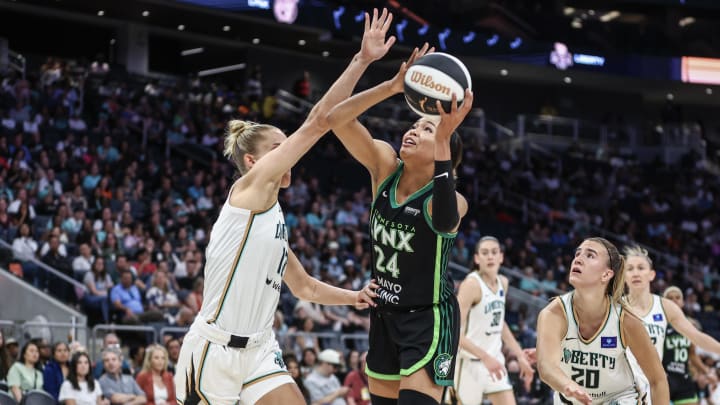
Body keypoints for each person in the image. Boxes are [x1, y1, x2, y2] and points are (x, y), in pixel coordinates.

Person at [174, 9, 396, 405]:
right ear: (252, 163)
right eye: (280, 149)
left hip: (259, 350)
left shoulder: (274, 216)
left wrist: (354, 296)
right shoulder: (249, 191)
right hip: (214, 353)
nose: (289, 156)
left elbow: (305, 286)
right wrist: (363, 62)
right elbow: (317, 122)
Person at [325, 43, 472, 404]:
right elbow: (335, 119)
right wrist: (391, 86)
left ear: (445, 154)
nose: (413, 131)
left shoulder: (453, 200)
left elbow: (447, 217)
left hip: (429, 319)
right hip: (384, 315)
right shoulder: (384, 168)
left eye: (426, 130)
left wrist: (441, 140)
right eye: (414, 124)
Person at [535, 237, 669, 404]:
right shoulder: (553, 314)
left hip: (619, 398)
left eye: (590, 255)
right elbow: (546, 367)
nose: (578, 258)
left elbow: (658, 380)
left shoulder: (625, 321)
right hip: (571, 399)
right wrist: (567, 384)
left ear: (606, 274)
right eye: (578, 254)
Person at [623, 246, 720, 404]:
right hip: (622, 387)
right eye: (630, 269)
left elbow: (697, 337)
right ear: (624, 276)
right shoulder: (615, 307)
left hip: (653, 387)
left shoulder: (665, 307)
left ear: (651, 274)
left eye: (641, 268)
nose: (636, 273)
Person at [453, 236, 534, 405]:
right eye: (484, 253)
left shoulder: (503, 282)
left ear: (501, 257)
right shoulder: (471, 285)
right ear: (476, 258)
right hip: (469, 363)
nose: (490, 256)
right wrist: (485, 357)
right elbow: (453, 332)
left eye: (494, 252)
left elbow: (500, 323)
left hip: (495, 361)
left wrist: (520, 356)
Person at [661, 286, 719, 405]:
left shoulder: (689, 325)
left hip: (683, 377)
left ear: (682, 302)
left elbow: (692, 355)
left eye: (677, 298)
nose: (674, 300)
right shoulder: (658, 323)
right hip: (664, 379)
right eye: (670, 298)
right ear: (664, 302)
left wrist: (706, 372)